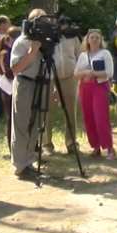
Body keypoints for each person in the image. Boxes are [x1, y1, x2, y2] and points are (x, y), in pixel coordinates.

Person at [8, 10, 47, 178]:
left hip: (41, 83)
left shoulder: (46, 42)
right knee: (22, 123)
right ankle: (19, 165)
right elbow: (15, 69)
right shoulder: (22, 42)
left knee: (36, 123)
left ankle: (29, 161)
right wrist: (32, 51)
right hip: (25, 83)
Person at [75, 30, 117, 159]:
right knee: (89, 118)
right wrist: (86, 73)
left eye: (97, 38)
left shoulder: (105, 54)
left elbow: (109, 73)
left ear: (101, 40)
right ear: (87, 40)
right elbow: (76, 74)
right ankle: (95, 146)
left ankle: (109, 148)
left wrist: (93, 74)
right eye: (91, 37)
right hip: (85, 88)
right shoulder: (83, 55)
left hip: (100, 87)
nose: (94, 40)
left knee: (101, 117)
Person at [45, 23, 82, 154]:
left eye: (64, 23)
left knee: (71, 111)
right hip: (50, 77)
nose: (62, 26)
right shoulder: (48, 37)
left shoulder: (73, 37)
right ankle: (47, 143)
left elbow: (80, 56)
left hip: (69, 76)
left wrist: (77, 73)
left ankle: (71, 142)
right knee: (48, 109)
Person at [0, 25, 22, 148]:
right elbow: (7, 71)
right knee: (11, 118)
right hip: (8, 87)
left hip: (14, 86)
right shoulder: (5, 53)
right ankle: (12, 147)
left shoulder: (12, 51)